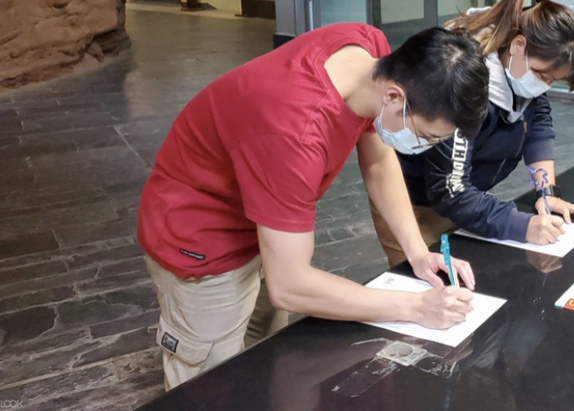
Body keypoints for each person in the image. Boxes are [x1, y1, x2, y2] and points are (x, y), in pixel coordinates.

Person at [136, 23, 491, 389]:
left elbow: (378, 161)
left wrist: (416, 251)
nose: (427, 147)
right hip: (199, 234)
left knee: (261, 360)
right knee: (209, 385)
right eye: (426, 136)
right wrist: (416, 308)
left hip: (261, 221)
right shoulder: (295, 134)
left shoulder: (369, 52)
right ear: (395, 97)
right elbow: (290, 286)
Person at [371, 0, 574, 267]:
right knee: (424, 286)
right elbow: (450, 189)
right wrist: (521, 226)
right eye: (542, 75)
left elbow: (538, 123)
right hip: (413, 203)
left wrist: (547, 193)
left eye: (552, 81)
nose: (543, 85)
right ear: (518, 45)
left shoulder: (521, 73)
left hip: (463, 200)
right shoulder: (465, 88)